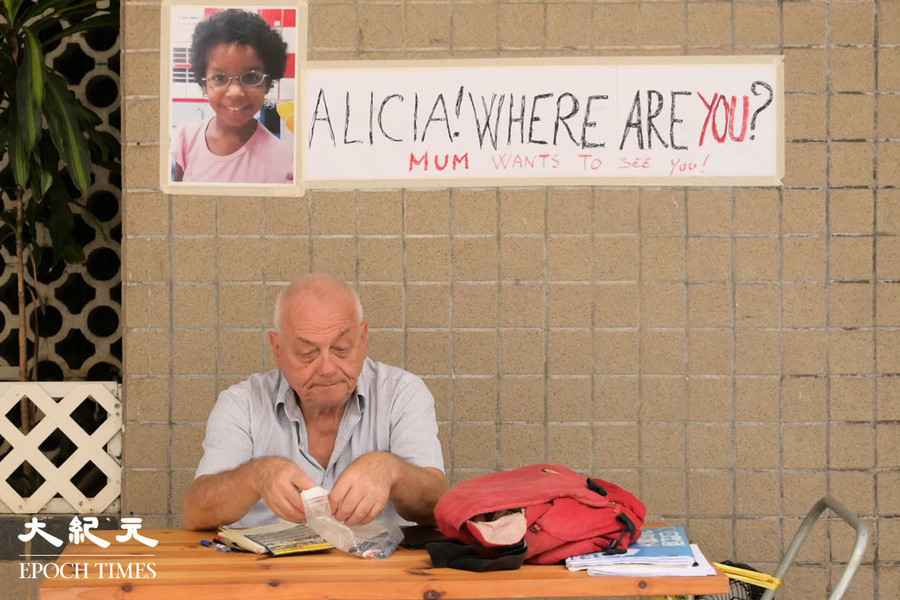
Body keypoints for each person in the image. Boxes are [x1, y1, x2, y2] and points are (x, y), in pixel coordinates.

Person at [183, 274, 447, 530]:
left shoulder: (402, 393)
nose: (327, 368)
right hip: (266, 571)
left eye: (341, 348)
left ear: (363, 338)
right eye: (307, 353)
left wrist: (393, 471)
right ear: (277, 348)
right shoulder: (242, 403)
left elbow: (436, 506)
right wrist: (256, 475)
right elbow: (196, 513)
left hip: (376, 570)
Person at [172, 9, 294, 184]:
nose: (235, 92)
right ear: (204, 84)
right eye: (219, 78)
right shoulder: (186, 139)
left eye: (251, 77)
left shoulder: (285, 163)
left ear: (268, 84)